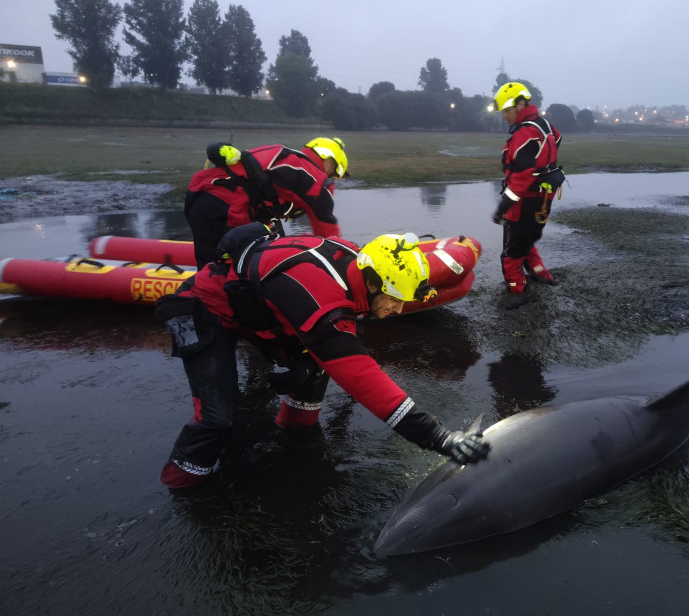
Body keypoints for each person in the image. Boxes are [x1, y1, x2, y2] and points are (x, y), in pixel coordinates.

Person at [154, 222, 490, 488]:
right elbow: (364, 380)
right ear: (372, 284)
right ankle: (183, 483)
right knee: (217, 418)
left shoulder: (357, 262)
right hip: (202, 309)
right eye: (394, 298)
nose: (398, 308)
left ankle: (297, 435)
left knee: (313, 366)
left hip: (258, 307)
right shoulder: (323, 299)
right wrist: (440, 438)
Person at [184, 138, 349, 267]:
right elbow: (328, 234)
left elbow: (265, 206)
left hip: (199, 195)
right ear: (329, 162)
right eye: (332, 174)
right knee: (231, 273)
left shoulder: (287, 159)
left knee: (208, 268)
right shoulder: (315, 178)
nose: (330, 179)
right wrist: (343, 261)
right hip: (226, 208)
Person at [491, 82, 565, 306]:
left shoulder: (525, 133)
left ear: (520, 104)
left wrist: (502, 207)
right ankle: (540, 273)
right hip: (544, 200)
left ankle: (517, 290)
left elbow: (521, 178)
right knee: (528, 239)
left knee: (511, 253)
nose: (504, 115)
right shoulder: (545, 126)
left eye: (507, 110)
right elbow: (558, 139)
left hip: (523, 204)